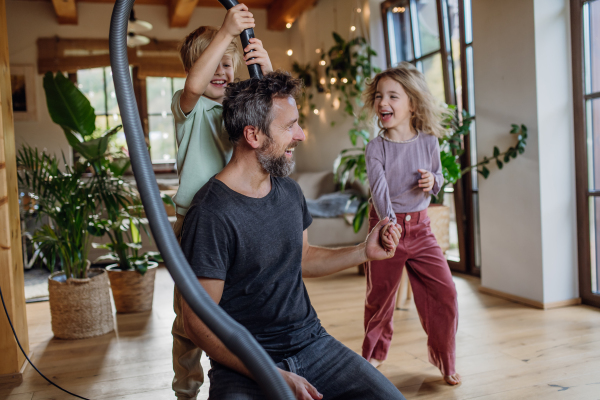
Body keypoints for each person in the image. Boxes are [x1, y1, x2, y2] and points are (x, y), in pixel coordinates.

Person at [179, 71, 406, 400]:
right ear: (253, 135)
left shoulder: (288, 191)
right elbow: (197, 323)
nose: (300, 134)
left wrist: (363, 251)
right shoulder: (211, 214)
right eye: (289, 126)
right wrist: (269, 373)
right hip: (245, 365)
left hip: (313, 345)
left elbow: (302, 258)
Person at [170, 5, 274, 399]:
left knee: (235, 302)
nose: (220, 73)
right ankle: (187, 387)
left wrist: (264, 63)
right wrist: (226, 32)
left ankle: (240, 373)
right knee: (189, 317)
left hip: (234, 218)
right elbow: (196, 83)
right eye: (211, 63)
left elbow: (272, 109)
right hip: (195, 221)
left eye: (227, 66)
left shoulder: (237, 110)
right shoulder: (189, 107)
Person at [362, 62, 461, 385]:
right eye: (379, 96)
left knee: (445, 292)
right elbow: (378, 191)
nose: (383, 103)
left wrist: (432, 181)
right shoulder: (376, 148)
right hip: (385, 227)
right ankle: (373, 354)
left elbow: (439, 180)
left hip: (421, 230)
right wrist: (388, 226)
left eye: (393, 96)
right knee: (380, 296)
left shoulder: (429, 142)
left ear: (412, 104)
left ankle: (446, 359)